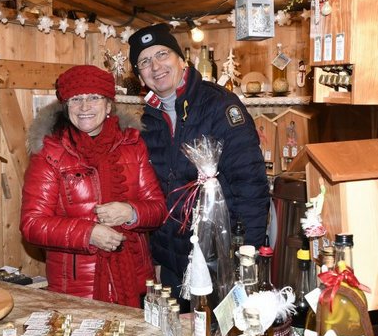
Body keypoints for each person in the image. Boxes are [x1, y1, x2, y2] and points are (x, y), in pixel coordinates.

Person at [128, 24, 270, 305]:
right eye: (145, 61)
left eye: (162, 54)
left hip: (221, 258)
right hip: (172, 263)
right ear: (140, 74)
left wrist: (247, 253)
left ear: (182, 59)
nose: (155, 66)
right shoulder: (146, 119)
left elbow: (250, 183)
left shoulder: (219, 105)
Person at [20, 65, 167, 308]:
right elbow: (32, 224)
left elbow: (158, 208)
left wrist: (131, 212)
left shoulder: (132, 145)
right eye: (76, 99)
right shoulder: (50, 153)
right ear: (66, 107)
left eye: (94, 98)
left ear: (109, 106)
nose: (85, 107)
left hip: (133, 280)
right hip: (77, 290)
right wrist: (88, 233)